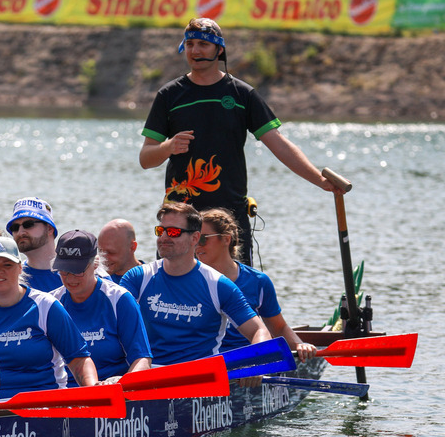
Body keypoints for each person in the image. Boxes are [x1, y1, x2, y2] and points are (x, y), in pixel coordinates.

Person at [138, 17, 347, 266]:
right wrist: (168, 147)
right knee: (174, 290)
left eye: (203, 44)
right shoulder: (169, 95)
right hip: (181, 216)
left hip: (229, 215)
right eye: (190, 44)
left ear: (219, 49)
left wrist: (320, 181)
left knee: (236, 293)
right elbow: (145, 158)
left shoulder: (241, 95)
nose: (195, 51)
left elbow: (279, 144)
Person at [119, 202, 272, 366]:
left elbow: (259, 330)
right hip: (149, 372)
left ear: (195, 238)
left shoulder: (218, 285)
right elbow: (110, 322)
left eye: (173, 232)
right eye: (160, 231)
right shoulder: (137, 278)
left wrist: (255, 362)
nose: (163, 237)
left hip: (199, 378)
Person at [0, 236, 97, 399]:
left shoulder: (46, 306)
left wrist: (94, 391)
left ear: (20, 267)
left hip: (41, 403)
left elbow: (78, 360)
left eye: (7, 265)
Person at [196, 208, 317, 360]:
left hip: (245, 361)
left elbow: (278, 327)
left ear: (226, 239)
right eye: (193, 239)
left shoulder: (258, 281)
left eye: (203, 239)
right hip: (205, 361)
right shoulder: (187, 279)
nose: (196, 245)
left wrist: (300, 345)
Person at [51, 230, 152, 383]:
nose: (70, 278)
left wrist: (121, 385)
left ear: (95, 264)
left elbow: (142, 360)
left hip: (112, 388)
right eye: (64, 270)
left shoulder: (119, 299)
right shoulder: (51, 303)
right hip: (64, 392)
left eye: (77, 270)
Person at [6, 196, 63, 292]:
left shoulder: (76, 273)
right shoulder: (13, 278)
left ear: (49, 229)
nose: (20, 232)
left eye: (28, 225)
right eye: (15, 227)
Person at [95, 218, 143, 282]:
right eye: (100, 251)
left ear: (132, 247)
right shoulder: (96, 279)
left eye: (110, 252)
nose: (103, 258)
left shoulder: (149, 278)